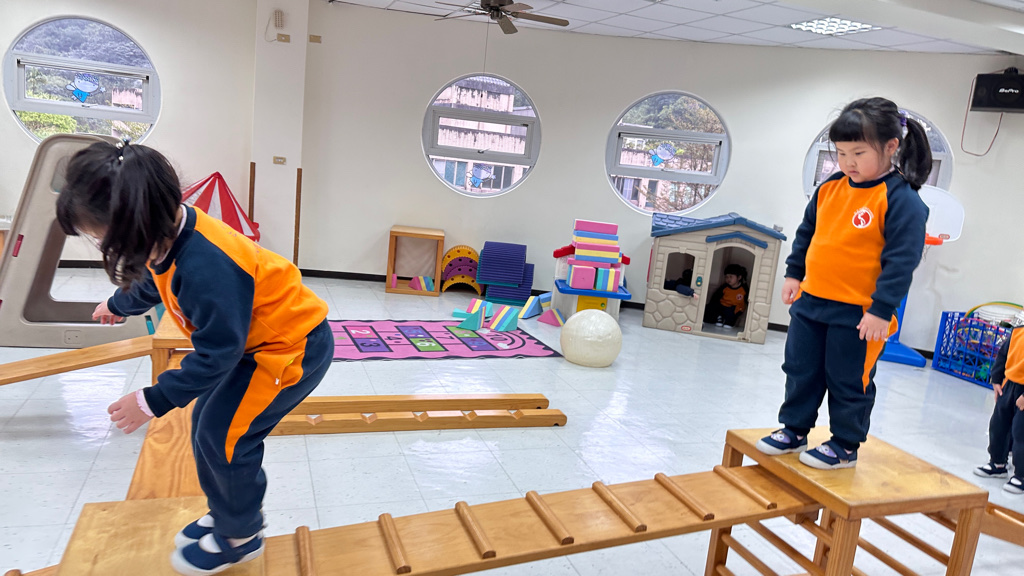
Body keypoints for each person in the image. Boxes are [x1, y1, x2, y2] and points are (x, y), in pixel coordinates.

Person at [56, 140, 332, 575]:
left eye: (100, 236)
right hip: (251, 344)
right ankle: (227, 513)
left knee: (227, 438)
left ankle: (241, 535)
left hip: (289, 348)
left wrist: (151, 400)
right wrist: (118, 303)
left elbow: (216, 353)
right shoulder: (168, 232)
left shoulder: (206, 266)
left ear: (136, 226)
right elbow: (153, 280)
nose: (99, 243)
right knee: (206, 426)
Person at [756, 97, 930, 470]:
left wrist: (881, 310)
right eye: (841, 153)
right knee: (800, 370)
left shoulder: (901, 199)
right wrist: (793, 273)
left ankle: (845, 445)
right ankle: (794, 429)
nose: (848, 162)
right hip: (811, 301)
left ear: (891, 146)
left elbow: (902, 261)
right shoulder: (830, 188)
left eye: (858, 153)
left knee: (849, 378)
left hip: (859, 313)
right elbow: (807, 233)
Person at [974, 326, 1024, 494]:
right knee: (998, 425)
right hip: (1009, 386)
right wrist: (996, 379)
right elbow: (1003, 354)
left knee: (1021, 433)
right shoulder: (1018, 332)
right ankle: (998, 463)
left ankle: (1021, 475)